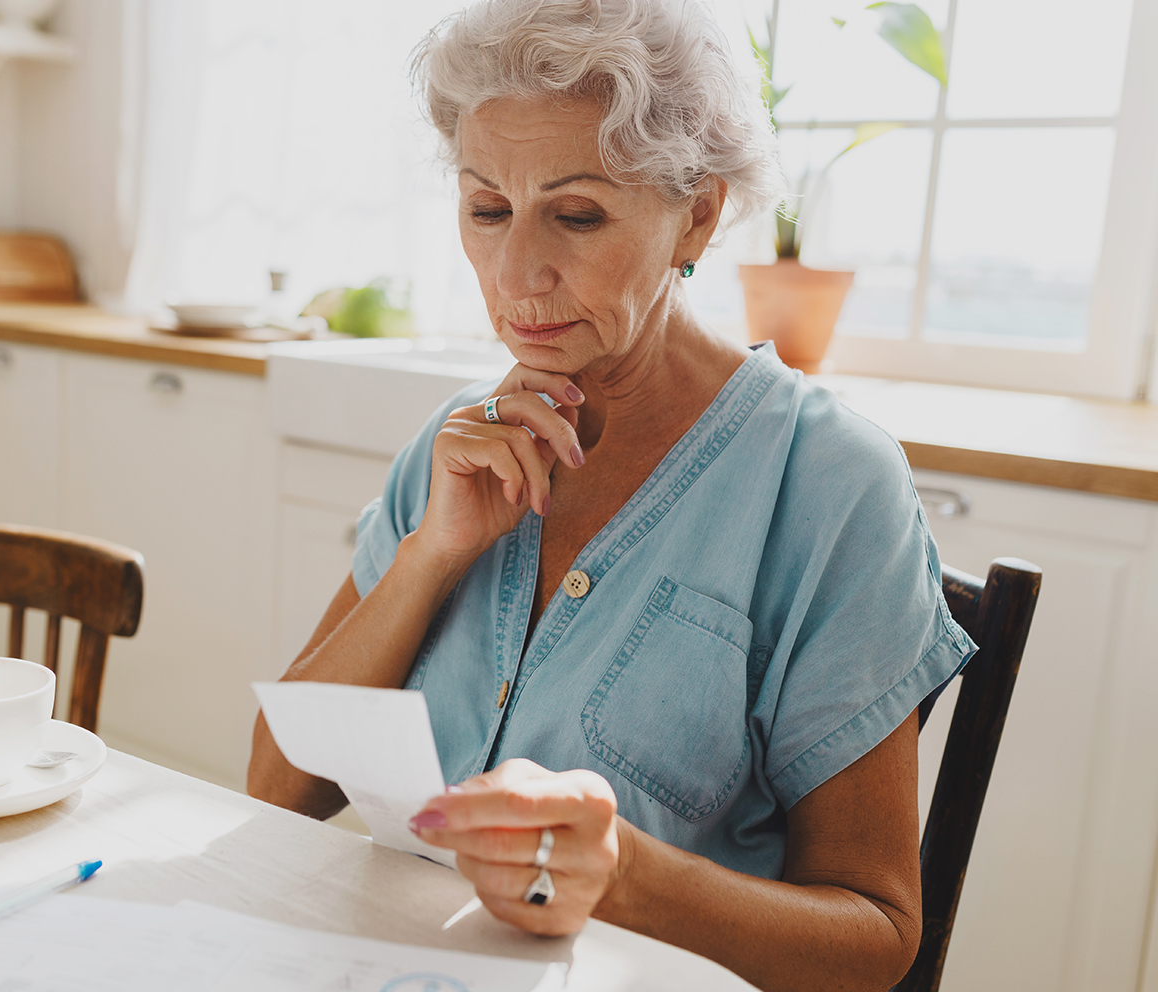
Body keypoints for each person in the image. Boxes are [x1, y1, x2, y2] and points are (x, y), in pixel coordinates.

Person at [247, 2, 974, 989]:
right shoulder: (457, 441)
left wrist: (622, 872)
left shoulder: (829, 484)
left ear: (699, 214)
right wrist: (432, 550)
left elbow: (876, 937)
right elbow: (277, 786)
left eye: (577, 213)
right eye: (486, 208)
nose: (515, 274)